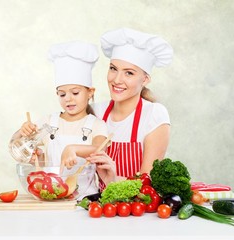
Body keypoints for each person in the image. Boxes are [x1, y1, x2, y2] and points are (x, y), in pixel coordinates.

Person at [10, 41, 108, 197]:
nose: (68, 99)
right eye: (62, 94)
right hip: (52, 196)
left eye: (75, 93)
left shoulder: (96, 125)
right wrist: (22, 133)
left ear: (90, 92)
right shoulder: (49, 121)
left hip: (86, 200)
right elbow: (20, 147)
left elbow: (99, 149)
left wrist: (72, 148)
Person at [87, 27, 174, 188]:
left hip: (134, 211)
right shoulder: (95, 111)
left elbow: (147, 185)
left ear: (145, 79)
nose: (117, 80)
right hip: (92, 208)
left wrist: (113, 180)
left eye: (129, 73)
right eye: (113, 69)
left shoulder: (154, 115)